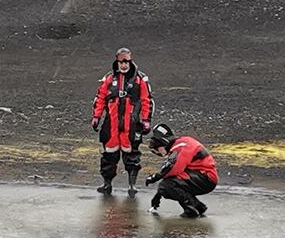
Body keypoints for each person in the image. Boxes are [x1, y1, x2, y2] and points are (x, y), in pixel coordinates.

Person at [90, 47, 152, 195]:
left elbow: (146, 100)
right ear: (117, 61)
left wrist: (146, 120)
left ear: (130, 62)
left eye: (127, 62)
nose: (124, 65)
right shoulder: (109, 79)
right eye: (121, 62)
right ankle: (107, 184)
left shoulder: (140, 79)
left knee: (131, 154)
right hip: (111, 123)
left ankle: (132, 186)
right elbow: (100, 98)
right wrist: (96, 117)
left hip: (131, 124)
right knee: (109, 155)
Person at [144, 123, 217, 218]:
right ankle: (198, 206)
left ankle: (191, 209)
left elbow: (173, 169)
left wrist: (155, 177)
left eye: (158, 149)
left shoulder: (180, 147)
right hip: (203, 176)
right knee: (166, 186)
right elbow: (172, 171)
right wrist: (159, 194)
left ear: (163, 144)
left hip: (206, 177)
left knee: (167, 186)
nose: (160, 152)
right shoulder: (181, 143)